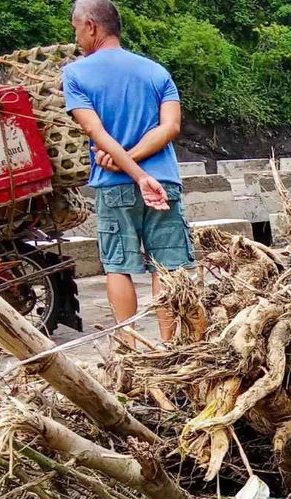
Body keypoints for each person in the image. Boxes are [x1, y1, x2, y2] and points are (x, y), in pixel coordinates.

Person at [63, 0, 193, 342]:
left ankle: (130, 348)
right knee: (166, 266)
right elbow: (170, 127)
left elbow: (97, 132)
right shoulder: (156, 71)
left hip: (114, 184)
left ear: (91, 26)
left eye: (77, 28)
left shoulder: (76, 73)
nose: (76, 36)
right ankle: (169, 347)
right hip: (164, 181)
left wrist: (127, 165)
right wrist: (141, 166)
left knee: (118, 266)